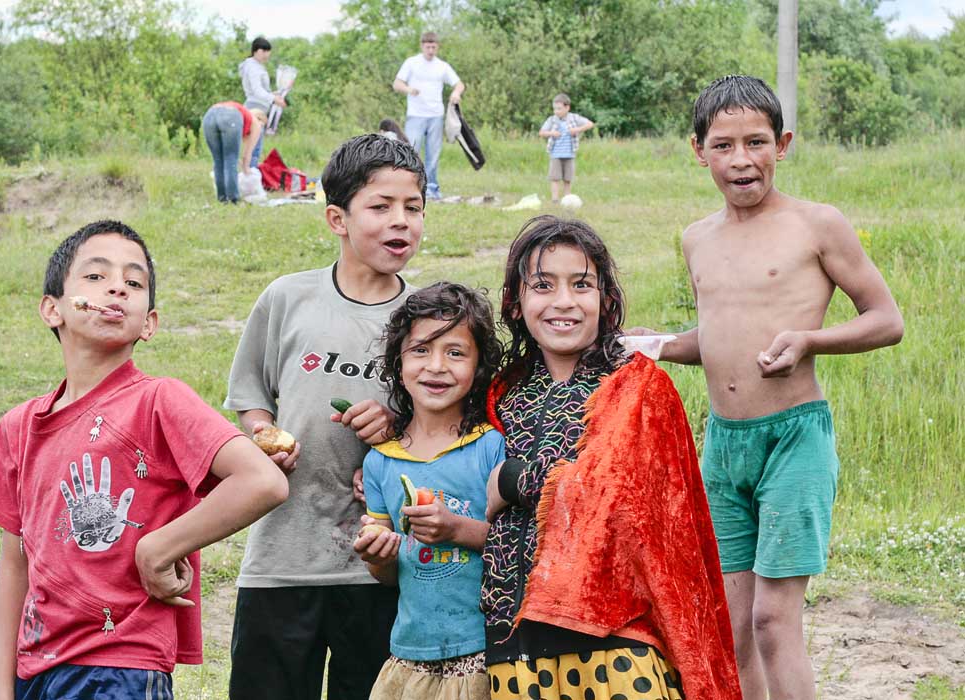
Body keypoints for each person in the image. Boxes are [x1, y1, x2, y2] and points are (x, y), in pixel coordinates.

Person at [632, 75, 904, 700]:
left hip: (794, 440)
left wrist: (810, 341)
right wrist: (663, 345)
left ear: (782, 144)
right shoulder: (697, 238)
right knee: (730, 628)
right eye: (723, 145)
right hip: (724, 447)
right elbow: (721, 338)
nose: (741, 159)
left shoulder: (816, 225)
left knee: (774, 623)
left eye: (756, 142)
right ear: (698, 150)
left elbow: (886, 321)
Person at [0, 220, 289, 700]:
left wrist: (156, 547)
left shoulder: (160, 400)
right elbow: (14, 564)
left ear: (149, 323)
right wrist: (2, 689)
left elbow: (262, 480)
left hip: (122, 665)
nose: (116, 287)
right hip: (36, 669)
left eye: (133, 282)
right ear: (52, 309)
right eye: (95, 277)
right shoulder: (19, 427)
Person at [482, 216, 741, 700]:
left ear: (606, 299)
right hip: (512, 646)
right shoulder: (503, 391)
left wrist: (513, 481)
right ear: (516, 303)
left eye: (581, 285)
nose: (563, 301)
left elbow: (623, 502)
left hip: (614, 646)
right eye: (543, 285)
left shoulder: (639, 385)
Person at [224, 133, 428, 700]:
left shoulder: (425, 318)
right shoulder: (288, 299)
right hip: (281, 554)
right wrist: (263, 432)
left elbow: (446, 423)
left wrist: (396, 427)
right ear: (337, 218)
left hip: (378, 560)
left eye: (413, 207)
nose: (401, 222)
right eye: (381, 206)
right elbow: (251, 396)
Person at [353, 282, 505, 700]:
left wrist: (455, 529)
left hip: (483, 654)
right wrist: (377, 555)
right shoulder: (380, 461)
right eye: (420, 350)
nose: (436, 366)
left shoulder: (492, 446)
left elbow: (518, 549)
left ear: (478, 368)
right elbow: (386, 576)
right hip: (411, 654)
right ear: (397, 363)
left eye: (455, 353)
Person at [393, 31, 465, 200]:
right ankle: (406, 187)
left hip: (435, 115)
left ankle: (431, 189)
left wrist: (456, 93)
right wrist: (409, 89)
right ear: (422, 46)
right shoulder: (412, 63)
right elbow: (397, 84)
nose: (431, 50)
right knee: (410, 151)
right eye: (428, 47)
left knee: (433, 155)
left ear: (437, 47)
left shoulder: (442, 66)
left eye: (433, 47)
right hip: (416, 115)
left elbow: (459, 84)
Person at [201, 101, 266, 203]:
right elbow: (247, 155)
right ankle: (233, 199)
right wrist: (246, 170)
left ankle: (222, 198)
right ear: (261, 120)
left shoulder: (244, 117)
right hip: (229, 115)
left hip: (209, 115)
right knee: (230, 159)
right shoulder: (256, 124)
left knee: (218, 161)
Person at [239, 36, 288, 168]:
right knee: (254, 148)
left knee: (254, 147)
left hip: (259, 107)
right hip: (255, 109)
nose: (267, 56)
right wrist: (274, 99)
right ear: (259, 51)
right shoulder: (253, 67)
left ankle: (249, 177)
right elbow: (256, 91)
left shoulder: (255, 66)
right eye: (266, 53)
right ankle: (251, 179)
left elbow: (262, 91)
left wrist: (275, 94)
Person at [538, 93, 594, 203]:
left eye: (559, 109)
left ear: (567, 107)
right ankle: (555, 199)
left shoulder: (574, 118)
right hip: (555, 154)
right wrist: (552, 133)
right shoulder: (552, 120)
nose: (556, 111)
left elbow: (590, 124)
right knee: (555, 177)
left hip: (570, 154)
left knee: (568, 178)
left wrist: (577, 130)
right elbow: (541, 132)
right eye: (554, 109)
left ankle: (567, 199)